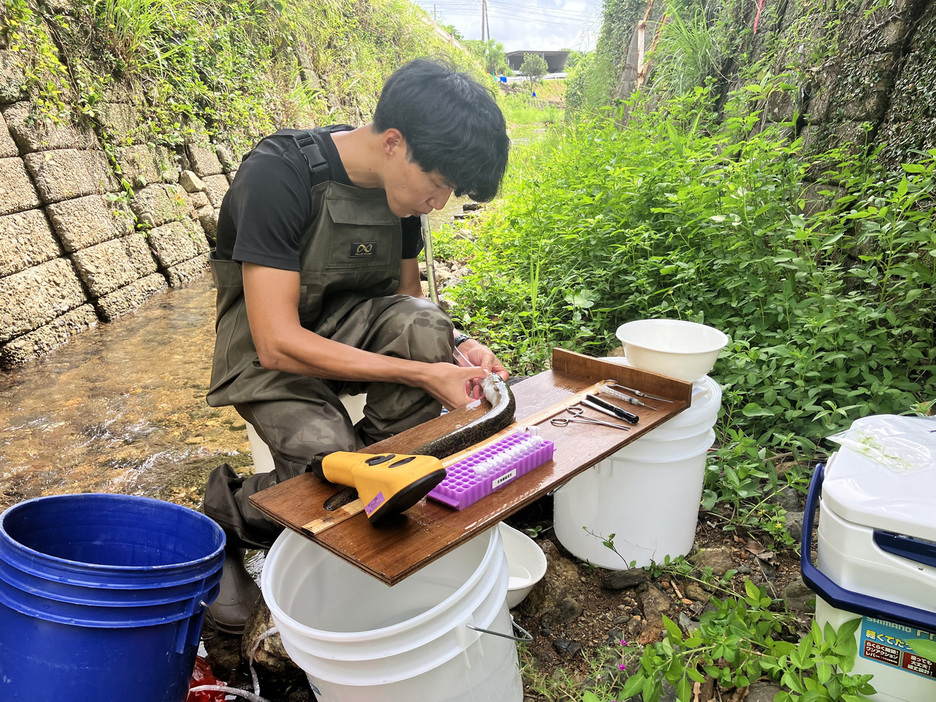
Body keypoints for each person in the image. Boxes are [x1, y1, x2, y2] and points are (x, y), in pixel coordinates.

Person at [203, 58, 511, 634]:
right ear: (394, 143)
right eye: (439, 183)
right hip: (269, 356)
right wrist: (424, 377)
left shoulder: (402, 199)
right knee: (338, 481)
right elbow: (276, 343)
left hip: (345, 334)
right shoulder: (281, 174)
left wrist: (460, 346)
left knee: (426, 328)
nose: (438, 202)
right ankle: (225, 518)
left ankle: (371, 473)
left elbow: (409, 304)